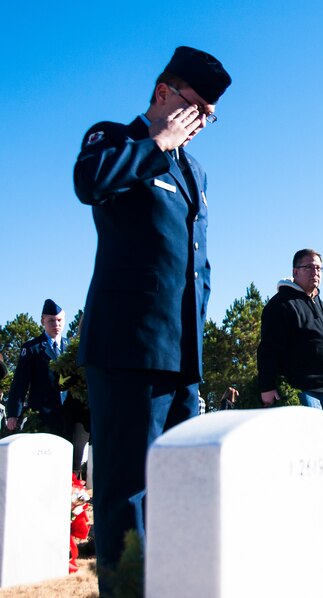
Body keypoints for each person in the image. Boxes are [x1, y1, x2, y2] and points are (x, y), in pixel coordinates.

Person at [73, 46, 231, 591]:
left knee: (178, 490)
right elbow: (89, 183)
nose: (203, 122)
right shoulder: (114, 138)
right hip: (127, 350)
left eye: (210, 115)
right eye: (196, 107)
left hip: (181, 357)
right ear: (164, 92)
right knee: (128, 495)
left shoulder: (197, 171)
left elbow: (197, 265)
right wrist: (155, 144)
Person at [258, 249, 323, 414]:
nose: (315, 272)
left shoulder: (321, 304)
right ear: (295, 271)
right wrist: (267, 386)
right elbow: (268, 348)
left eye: (318, 268)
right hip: (302, 391)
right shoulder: (282, 304)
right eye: (309, 267)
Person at [6, 299, 69, 436]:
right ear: (43, 321)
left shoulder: (71, 348)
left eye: (59, 320)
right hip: (42, 416)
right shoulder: (32, 348)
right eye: (51, 320)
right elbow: (20, 383)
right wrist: (13, 414)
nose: (56, 324)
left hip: (68, 415)